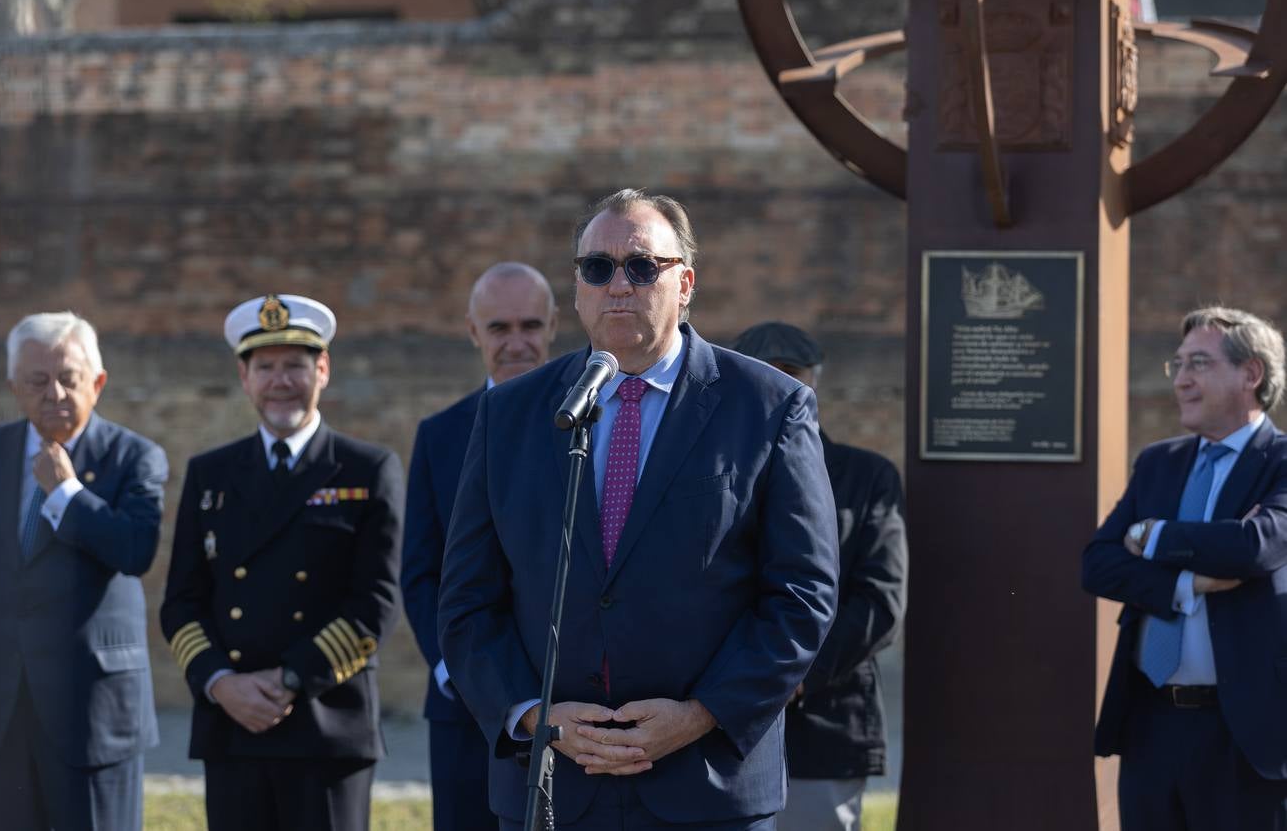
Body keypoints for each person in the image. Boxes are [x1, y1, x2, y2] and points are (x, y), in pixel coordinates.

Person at [438, 189, 839, 830]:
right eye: (597, 268)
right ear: (576, 288)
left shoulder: (768, 406)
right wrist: (533, 715)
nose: (618, 284)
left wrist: (700, 713)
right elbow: (467, 600)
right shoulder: (512, 412)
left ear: (685, 283)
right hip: (553, 784)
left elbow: (801, 594)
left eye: (642, 266)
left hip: (706, 784)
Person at [160, 293, 405, 831]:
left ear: (322, 370)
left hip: (326, 724)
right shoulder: (211, 475)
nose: (281, 381)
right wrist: (221, 682)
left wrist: (291, 679)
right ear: (245, 378)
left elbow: (377, 601)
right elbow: (180, 602)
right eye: (265, 367)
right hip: (232, 723)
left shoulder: (366, 469)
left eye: (295, 365)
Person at [0, 311, 167, 831]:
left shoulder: (135, 457)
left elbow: (135, 551)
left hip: (94, 712)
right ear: (13, 387)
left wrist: (68, 493)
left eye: (69, 379)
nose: (55, 394)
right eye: (38, 381)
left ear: (99, 382)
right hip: (2, 710)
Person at [1082, 305, 1287, 829]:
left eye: (1199, 363)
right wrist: (1187, 583)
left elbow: (1255, 548)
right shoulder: (1159, 461)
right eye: (1178, 366)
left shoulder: (1280, 462)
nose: (1183, 381)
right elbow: (1098, 564)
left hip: (1241, 730)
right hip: (1150, 722)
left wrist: (1153, 535)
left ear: (1251, 374)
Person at [730, 322, 907, 831]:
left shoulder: (866, 476)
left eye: (791, 375)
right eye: (761, 374)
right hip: (719, 720)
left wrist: (793, 674)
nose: (777, 386)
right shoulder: (708, 469)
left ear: (814, 383)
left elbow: (881, 602)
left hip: (825, 721)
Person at [404, 262, 559, 831]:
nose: (517, 343)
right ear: (473, 332)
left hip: (569, 701)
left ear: (553, 326)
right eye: (499, 328)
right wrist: (454, 670)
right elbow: (420, 571)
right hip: (465, 704)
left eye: (530, 325)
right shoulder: (440, 435)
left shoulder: (599, 418)